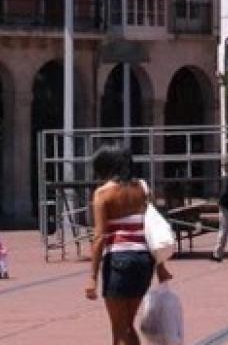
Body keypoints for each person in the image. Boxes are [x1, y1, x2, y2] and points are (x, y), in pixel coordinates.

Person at [84, 145, 171, 345]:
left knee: (120, 329)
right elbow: (151, 229)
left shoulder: (103, 193)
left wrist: (92, 277)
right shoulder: (143, 188)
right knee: (127, 325)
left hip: (118, 261)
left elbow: (99, 237)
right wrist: (161, 266)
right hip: (143, 261)